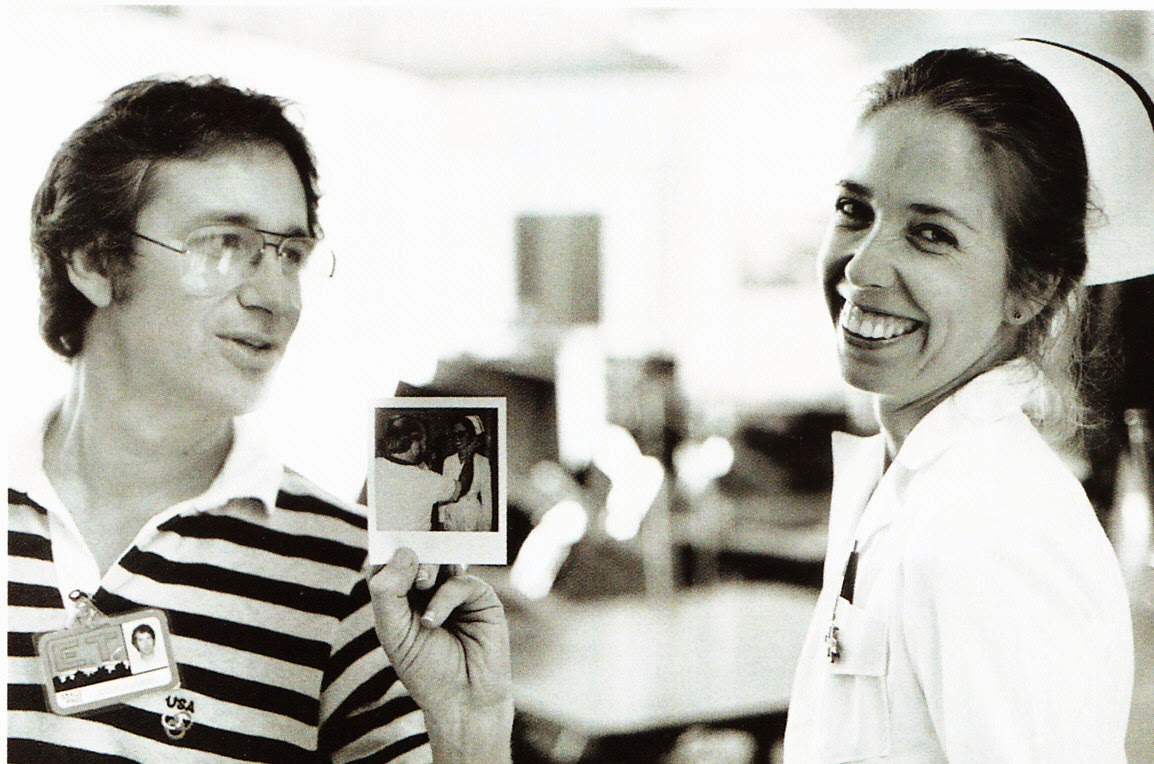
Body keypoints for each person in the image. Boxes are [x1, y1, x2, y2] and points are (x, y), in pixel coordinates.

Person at [8, 75, 512, 762]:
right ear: (95, 261)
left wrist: (469, 732)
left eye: (291, 255)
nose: (278, 299)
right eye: (223, 243)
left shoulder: (359, 583)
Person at [783, 42, 1148, 761]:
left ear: (1030, 288)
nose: (861, 267)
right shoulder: (912, 484)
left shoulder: (993, 530)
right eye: (855, 210)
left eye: (930, 234)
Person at [374, 415, 460, 531]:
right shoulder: (427, 479)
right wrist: (470, 455)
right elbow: (459, 488)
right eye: (424, 442)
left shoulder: (374, 465)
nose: (425, 447)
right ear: (414, 445)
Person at [439, 415, 493, 532]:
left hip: (472, 516)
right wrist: (441, 520)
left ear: (471, 435)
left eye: (461, 434)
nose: (457, 439)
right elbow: (444, 492)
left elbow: (487, 496)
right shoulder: (448, 461)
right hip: (452, 516)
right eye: (454, 435)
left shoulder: (482, 462)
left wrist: (486, 526)